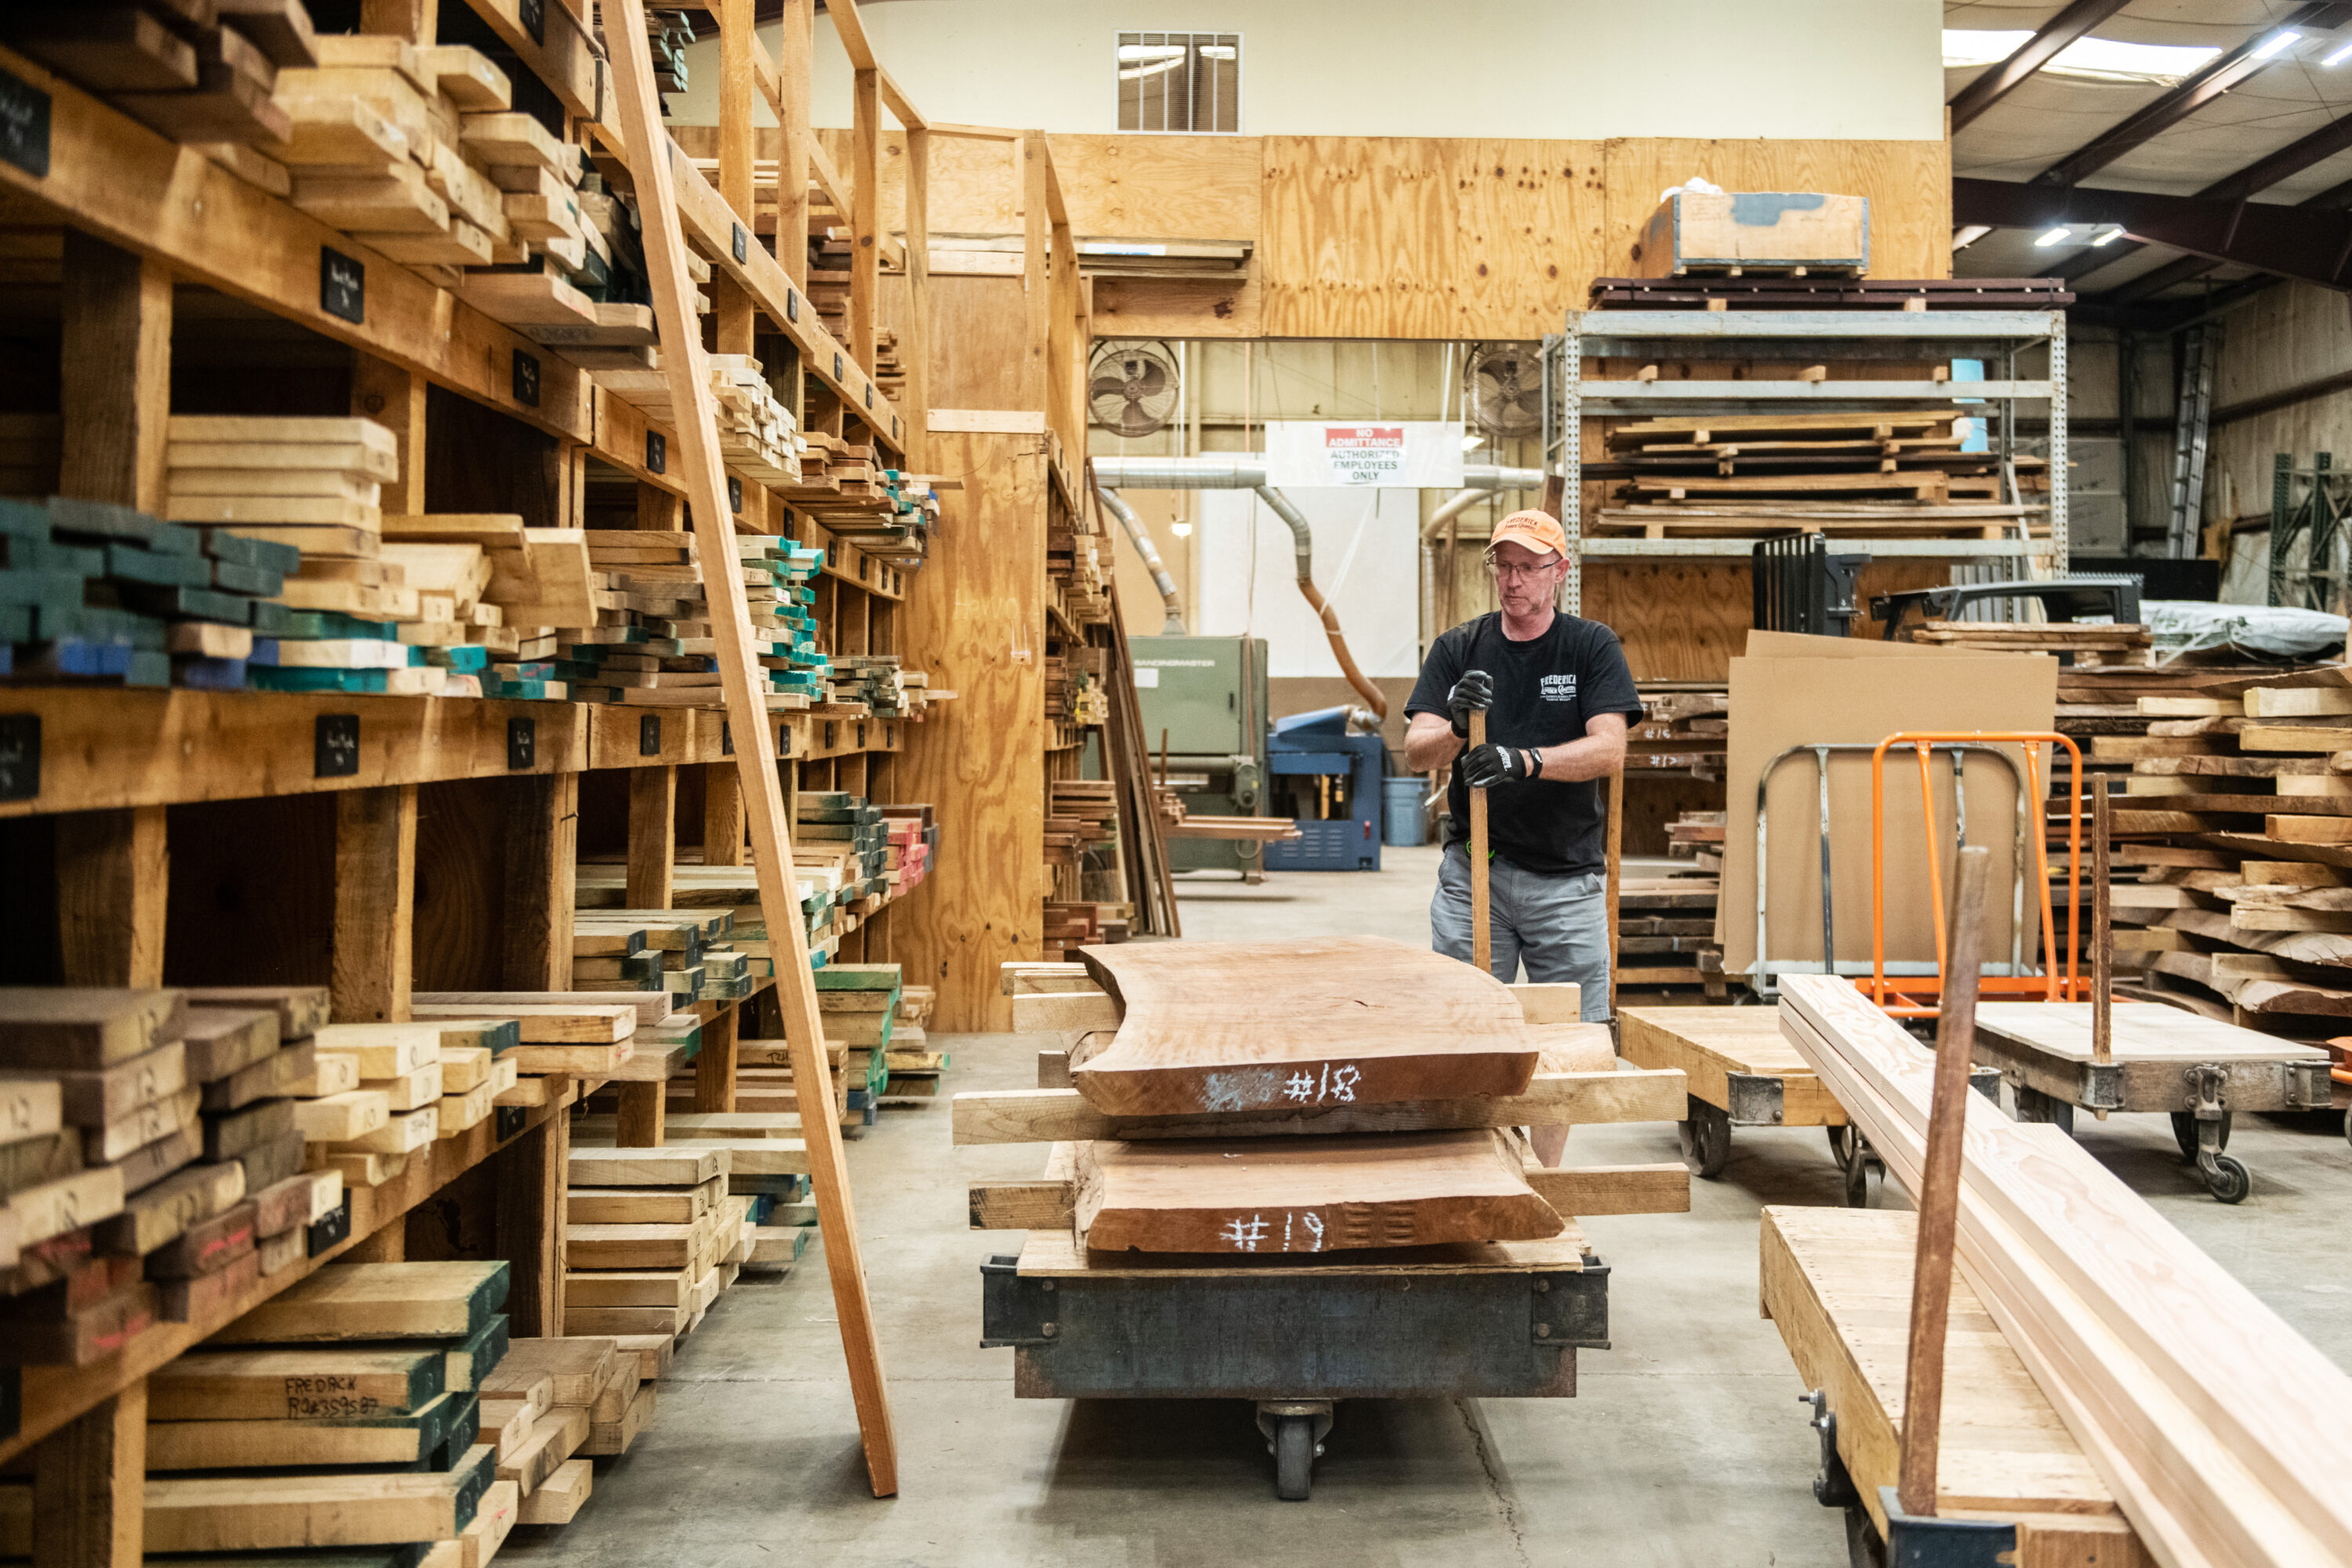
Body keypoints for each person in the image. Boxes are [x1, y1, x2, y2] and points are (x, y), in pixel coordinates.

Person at [1403, 510, 1642, 1023]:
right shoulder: (1458, 648)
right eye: (1504, 566)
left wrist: (1524, 761)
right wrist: (1459, 729)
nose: (1513, 580)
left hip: (1564, 881)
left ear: (1560, 571)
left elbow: (1609, 750)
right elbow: (1417, 750)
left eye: (1529, 567)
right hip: (1474, 875)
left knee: (1578, 1034)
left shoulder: (1589, 647)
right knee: (1461, 1027)